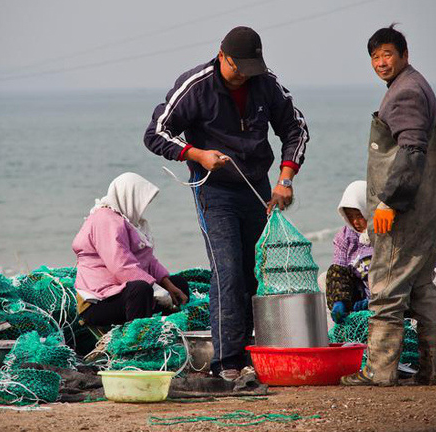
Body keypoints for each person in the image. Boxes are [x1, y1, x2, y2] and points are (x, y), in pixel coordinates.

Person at [143, 26, 309, 381]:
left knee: (255, 273)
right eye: (239, 68)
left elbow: (296, 129)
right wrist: (196, 154)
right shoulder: (196, 86)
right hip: (213, 191)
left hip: (258, 189)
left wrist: (285, 179)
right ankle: (227, 363)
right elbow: (155, 132)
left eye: (252, 69)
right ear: (222, 56)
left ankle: (254, 352)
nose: (245, 76)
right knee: (228, 271)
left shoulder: (266, 83)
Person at [342, 24, 436, 387]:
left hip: (408, 205)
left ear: (404, 55)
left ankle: (378, 372)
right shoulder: (415, 84)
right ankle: (428, 370)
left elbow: (411, 150)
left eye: (387, 54)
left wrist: (391, 202)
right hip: (432, 200)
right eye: (375, 57)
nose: (381, 62)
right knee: (423, 283)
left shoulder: (406, 92)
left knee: (386, 284)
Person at [324, 180, 436, 326]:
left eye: (359, 215)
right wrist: (340, 301)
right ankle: (338, 332)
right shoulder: (345, 237)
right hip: (363, 307)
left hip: (405, 302)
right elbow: (339, 273)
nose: (355, 221)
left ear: (369, 209)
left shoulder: (400, 228)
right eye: (350, 216)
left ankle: (418, 333)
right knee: (324, 278)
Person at [73, 172, 190, 327]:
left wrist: (168, 286)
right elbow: (121, 265)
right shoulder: (105, 219)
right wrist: (156, 289)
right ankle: (136, 342)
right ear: (128, 197)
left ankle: (167, 330)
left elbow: (148, 260)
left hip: (122, 291)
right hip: (98, 302)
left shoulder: (129, 222)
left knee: (178, 283)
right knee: (141, 289)